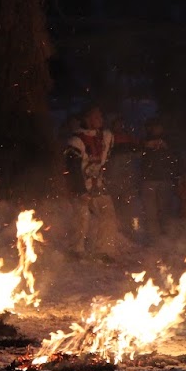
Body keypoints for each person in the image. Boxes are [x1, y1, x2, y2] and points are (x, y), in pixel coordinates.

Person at [64, 104, 121, 261]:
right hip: (81, 186)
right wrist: (80, 190)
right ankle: (75, 250)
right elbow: (72, 169)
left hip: (98, 185)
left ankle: (103, 251)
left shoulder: (105, 137)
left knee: (108, 216)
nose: (101, 119)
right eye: (97, 116)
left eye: (101, 116)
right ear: (87, 119)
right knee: (81, 217)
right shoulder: (76, 141)